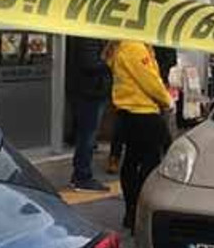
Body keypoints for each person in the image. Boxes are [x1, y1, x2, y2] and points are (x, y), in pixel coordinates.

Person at [108, 39, 173, 230]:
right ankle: (141, 212)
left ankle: (132, 212)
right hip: (143, 112)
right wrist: (167, 100)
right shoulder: (134, 47)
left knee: (131, 163)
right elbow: (149, 80)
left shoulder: (123, 45)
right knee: (149, 163)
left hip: (127, 113)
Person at [65, 37, 112, 191]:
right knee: (87, 136)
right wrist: (111, 61)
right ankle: (82, 176)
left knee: (86, 135)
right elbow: (90, 63)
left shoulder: (86, 36)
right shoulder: (87, 37)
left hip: (89, 90)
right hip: (89, 92)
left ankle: (81, 174)